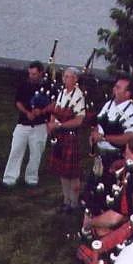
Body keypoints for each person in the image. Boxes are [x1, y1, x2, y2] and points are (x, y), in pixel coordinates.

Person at [84, 136, 133, 236]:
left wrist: (90, 222)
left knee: (101, 230)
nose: (124, 155)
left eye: (126, 152)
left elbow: (116, 218)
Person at [1, 61, 51, 188]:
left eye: (34, 74)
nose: (31, 76)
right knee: (16, 150)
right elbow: (18, 102)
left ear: (41, 73)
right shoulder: (23, 85)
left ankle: (31, 179)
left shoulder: (48, 86)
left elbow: (53, 104)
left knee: (36, 153)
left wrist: (42, 111)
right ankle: (9, 178)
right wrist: (27, 112)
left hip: (40, 125)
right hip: (23, 124)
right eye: (30, 74)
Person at [47, 67, 86, 211]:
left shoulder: (79, 96)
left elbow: (79, 120)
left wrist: (60, 126)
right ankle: (66, 200)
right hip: (60, 136)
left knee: (73, 174)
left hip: (70, 137)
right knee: (62, 171)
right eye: (65, 76)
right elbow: (55, 111)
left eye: (69, 77)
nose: (65, 79)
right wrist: (51, 124)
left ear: (75, 79)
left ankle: (74, 202)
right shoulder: (62, 93)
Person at [90, 77, 133, 169]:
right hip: (101, 156)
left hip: (117, 159)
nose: (114, 89)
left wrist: (104, 138)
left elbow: (131, 137)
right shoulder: (109, 104)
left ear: (127, 94)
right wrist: (94, 134)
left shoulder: (131, 112)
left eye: (118, 88)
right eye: (115, 87)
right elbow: (99, 123)